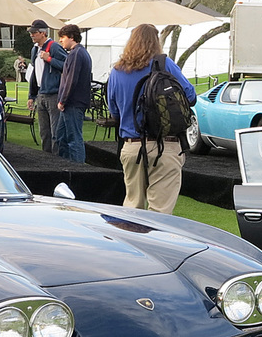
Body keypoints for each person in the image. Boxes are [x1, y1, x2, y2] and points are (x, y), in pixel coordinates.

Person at [106, 23, 197, 213]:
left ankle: (131, 241)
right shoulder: (164, 65)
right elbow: (190, 97)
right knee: (160, 213)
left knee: (132, 210)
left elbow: (114, 113)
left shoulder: (116, 71)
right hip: (165, 145)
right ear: (156, 42)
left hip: (131, 145)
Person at [54, 24, 93, 163]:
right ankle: (65, 166)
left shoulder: (76, 54)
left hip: (73, 103)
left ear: (71, 37)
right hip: (73, 103)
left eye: (62, 37)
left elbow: (71, 80)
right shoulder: (80, 53)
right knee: (61, 137)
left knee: (74, 139)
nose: (60, 40)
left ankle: (78, 170)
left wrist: (63, 100)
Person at [27, 20, 66, 154]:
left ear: (43, 33)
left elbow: (67, 65)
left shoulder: (54, 47)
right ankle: (46, 158)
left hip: (54, 95)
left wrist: (50, 59)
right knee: (44, 132)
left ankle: (57, 159)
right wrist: (31, 95)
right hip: (41, 94)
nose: (31, 35)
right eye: (31, 33)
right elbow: (34, 72)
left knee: (55, 132)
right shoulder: (34, 50)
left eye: (34, 33)